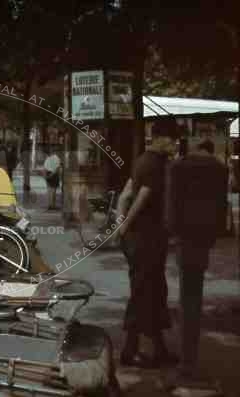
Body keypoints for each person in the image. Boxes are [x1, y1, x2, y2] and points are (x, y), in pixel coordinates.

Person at [116, 118, 179, 368]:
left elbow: (125, 195)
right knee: (144, 291)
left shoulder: (142, 160)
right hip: (147, 239)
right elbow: (141, 198)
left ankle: (160, 349)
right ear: (161, 138)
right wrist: (126, 225)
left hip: (139, 239)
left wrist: (121, 224)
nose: (175, 144)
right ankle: (129, 352)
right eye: (173, 140)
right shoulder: (156, 164)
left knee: (153, 291)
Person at [165, 138, 227, 382]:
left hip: (184, 237)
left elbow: (171, 207)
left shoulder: (179, 167)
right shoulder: (219, 169)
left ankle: (187, 362)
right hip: (204, 237)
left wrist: (172, 232)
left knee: (187, 297)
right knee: (194, 295)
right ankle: (190, 358)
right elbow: (222, 206)